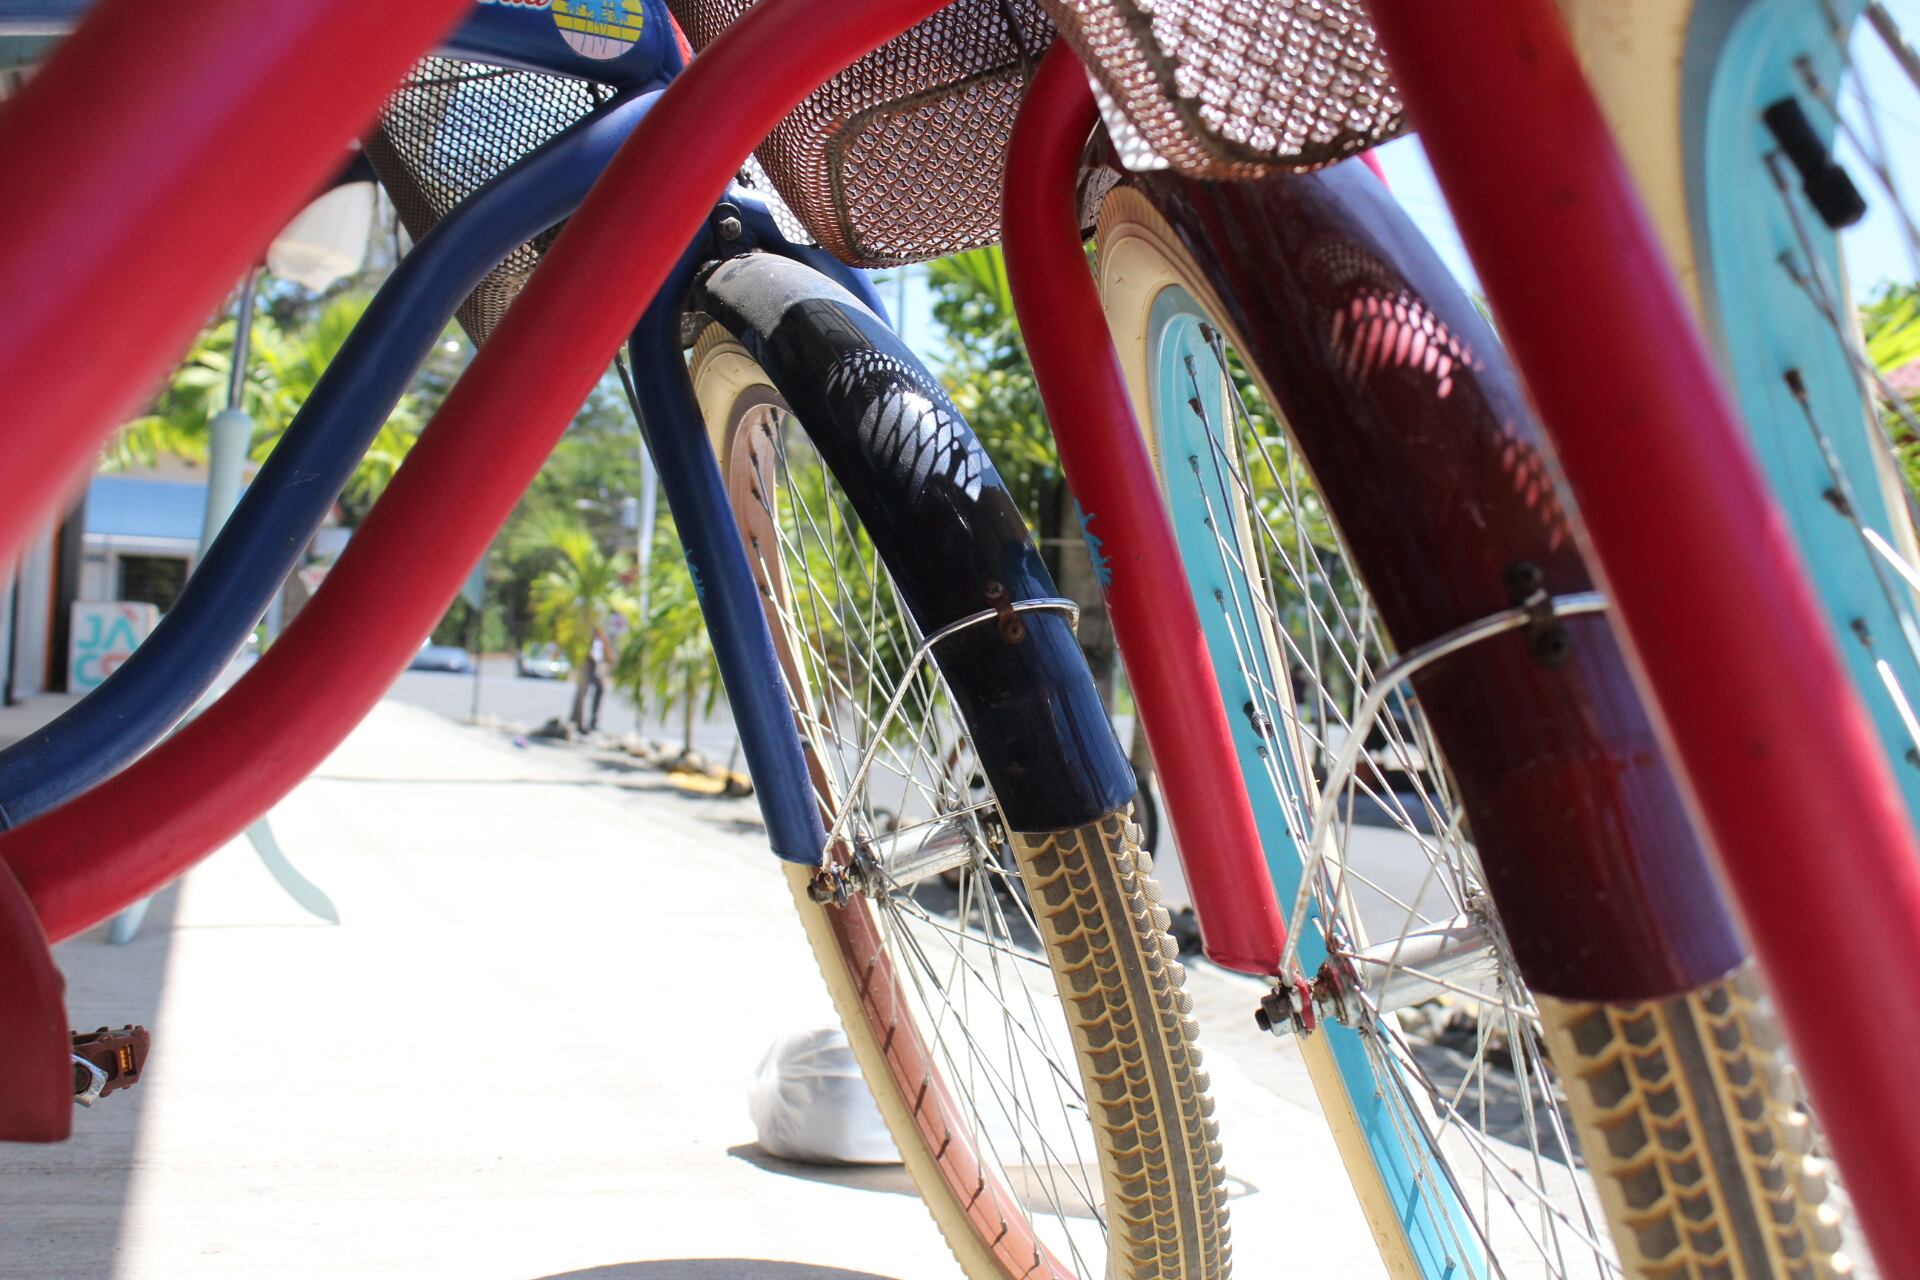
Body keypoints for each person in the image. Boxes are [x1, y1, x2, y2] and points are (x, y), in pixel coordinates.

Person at [572, 631, 607, 734]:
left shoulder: (599, 639)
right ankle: (579, 722)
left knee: (599, 689)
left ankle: (592, 722)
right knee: (583, 692)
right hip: (587, 662)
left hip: (596, 665)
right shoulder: (586, 633)